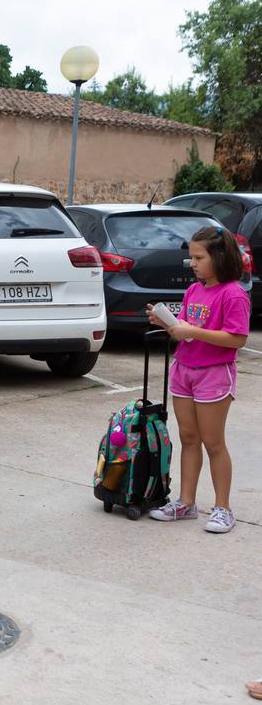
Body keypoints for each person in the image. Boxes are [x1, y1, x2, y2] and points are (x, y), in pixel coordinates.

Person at [146, 226, 250, 534]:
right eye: (190, 257)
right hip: (184, 370)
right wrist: (170, 325)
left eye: (198, 257)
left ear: (219, 256)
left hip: (214, 375)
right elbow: (190, 330)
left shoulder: (234, 294)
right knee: (189, 438)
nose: (192, 263)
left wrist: (192, 331)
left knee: (213, 443)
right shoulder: (194, 290)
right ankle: (185, 503)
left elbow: (237, 339)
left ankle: (223, 509)